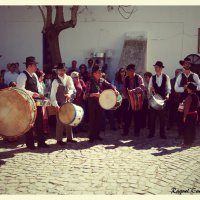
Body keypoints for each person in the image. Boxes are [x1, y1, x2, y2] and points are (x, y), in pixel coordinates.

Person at [16, 56, 49, 149]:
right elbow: (20, 89)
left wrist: (41, 95)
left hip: (36, 102)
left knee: (39, 121)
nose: (36, 67)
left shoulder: (34, 75)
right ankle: (30, 144)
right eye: (34, 65)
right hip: (27, 103)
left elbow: (38, 88)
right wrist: (31, 93)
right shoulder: (22, 76)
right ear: (29, 66)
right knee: (29, 123)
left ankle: (41, 142)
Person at [84, 65, 118, 142]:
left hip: (100, 103)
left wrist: (115, 90)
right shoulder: (89, 82)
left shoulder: (102, 80)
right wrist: (93, 94)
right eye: (99, 72)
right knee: (92, 119)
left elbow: (110, 85)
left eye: (100, 72)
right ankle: (91, 136)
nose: (100, 73)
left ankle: (97, 135)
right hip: (92, 103)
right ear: (94, 73)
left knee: (99, 119)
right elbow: (86, 94)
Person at [50, 63, 77, 145]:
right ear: (57, 71)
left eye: (62, 70)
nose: (61, 72)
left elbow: (72, 88)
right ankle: (59, 139)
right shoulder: (55, 81)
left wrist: (69, 93)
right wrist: (55, 105)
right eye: (59, 70)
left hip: (67, 102)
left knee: (69, 120)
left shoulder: (68, 78)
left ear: (64, 70)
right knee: (60, 122)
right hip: (59, 103)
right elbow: (52, 95)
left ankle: (69, 138)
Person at [175, 58, 200, 138]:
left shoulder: (195, 75)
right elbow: (176, 88)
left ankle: (190, 134)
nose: (187, 64)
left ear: (190, 65)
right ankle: (181, 133)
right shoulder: (180, 76)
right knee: (180, 115)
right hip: (182, 98)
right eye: (186, 63)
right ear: (183, 64)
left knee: (191, 116)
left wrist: (192, 87)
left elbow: (199, 86)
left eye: (189, 63)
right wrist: (184, 88)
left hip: (192, 99)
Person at [148, 61, 171, 139]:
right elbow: (149, 88)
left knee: (162, 118)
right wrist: (151, 89)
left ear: (161, 68)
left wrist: (168, 95)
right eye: (155, 67)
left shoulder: (166, 77)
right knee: (152, 118)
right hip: (154, 100)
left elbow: (168, 88)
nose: (155, 69)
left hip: (162, 100)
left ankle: (162, 134)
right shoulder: (152, 77)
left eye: (157, 67)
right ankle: (151, 133)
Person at [123, 64, 145, 137]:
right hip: (129, 100)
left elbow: (142, 87)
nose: (127, 73)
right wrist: (127, 97)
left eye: (128, 71)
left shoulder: (139, 77)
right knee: (127, 117)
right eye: (127, 71)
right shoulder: (126, 78)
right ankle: (125, 131)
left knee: (137, 116)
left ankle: (137, 132)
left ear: (132, 71)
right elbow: (124, 89)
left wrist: (133, 91)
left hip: (137, 100)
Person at [180, 82, 199, 148]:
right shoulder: (196, 96)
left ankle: (186, 143)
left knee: (187, 129)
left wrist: (184, 117)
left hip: (188, 115)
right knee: (192, 128)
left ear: (191, 89)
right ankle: (191, 141)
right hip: (194, 115)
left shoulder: (189, 97)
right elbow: (198, 105)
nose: (187, 89)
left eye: (188, 88)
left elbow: (186, 108)